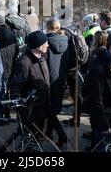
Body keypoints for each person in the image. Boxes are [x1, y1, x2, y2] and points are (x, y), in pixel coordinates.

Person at [9, 30, 50, 133]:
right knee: (30, 140)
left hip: (43, 107)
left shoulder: (42, 57)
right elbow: (15, 84)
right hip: (31, 111)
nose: (48, 45)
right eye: (45, 43)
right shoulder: (24, 63)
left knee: (39, 138)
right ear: (38, 46)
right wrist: (18, 106)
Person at [44, 19, 69, 148]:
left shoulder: (46, 42)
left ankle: (61, 135)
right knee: (52, 108)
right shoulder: (66, 40)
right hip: (61, 77)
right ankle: (48, 132)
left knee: (48, 109)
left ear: (48, 28)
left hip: (49, 77)